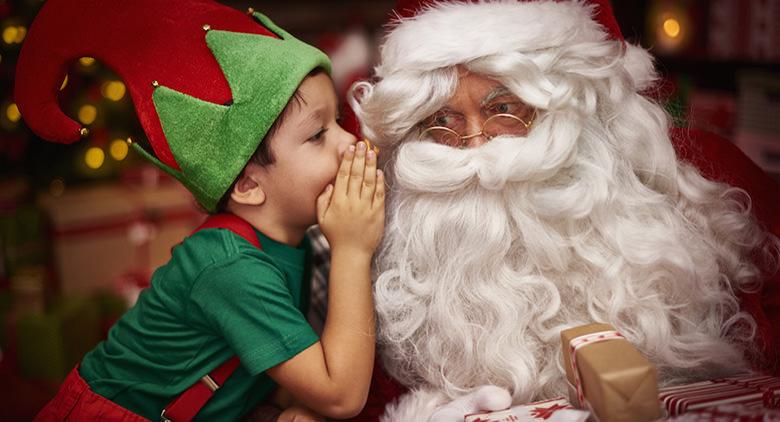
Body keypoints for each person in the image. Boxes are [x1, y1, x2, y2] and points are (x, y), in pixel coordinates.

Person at [349, 0, 780, 419]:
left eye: (503, 109)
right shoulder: (387, 226)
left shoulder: (710, 175)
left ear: (573, 107)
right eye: (445, 120)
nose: (477, 145)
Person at [15, 0, 384, 420]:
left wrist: (288, 403)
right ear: (247, 185)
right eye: (318, 134)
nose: (347, 143)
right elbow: (342, 395)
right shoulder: (229, 267)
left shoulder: (289, 243)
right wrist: (354, 248)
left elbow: (251, 365)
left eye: (337, 121)